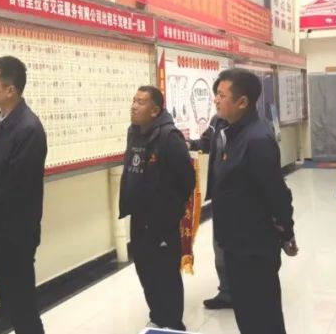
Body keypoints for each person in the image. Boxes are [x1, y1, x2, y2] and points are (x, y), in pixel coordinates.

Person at [210, 69, 297, 333]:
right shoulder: (233, 132)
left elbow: (276, 192)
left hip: (254, 247)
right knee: (248, 316)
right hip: (236, 243)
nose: (216, 100)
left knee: (262, 317)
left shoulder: (256, 139)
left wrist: (287, 232)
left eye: (222, 95)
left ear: (242, 102)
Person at [0, 56, 47, 334]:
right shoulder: (3, 122)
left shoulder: (28, 129)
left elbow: (15, 189)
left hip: (17, 233)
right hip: (0, 230)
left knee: (23, 309)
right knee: (12, 305)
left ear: (10, 90)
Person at [121, 86, 195, 330]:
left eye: (140, 102)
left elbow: (187, 180)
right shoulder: (134, 132)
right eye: (134, 100)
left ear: (154, 110)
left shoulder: (169, 137)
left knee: (165, 274)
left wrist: (170, 211)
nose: (133, 106)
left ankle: (173, 324)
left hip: (162, 221)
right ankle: (158, 316)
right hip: (139, 217)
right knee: (145, 270)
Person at [189, 115, 235, 310]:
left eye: (221, 98)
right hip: (220, 196)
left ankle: (244, 291)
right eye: (216, 98)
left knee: (238, 247)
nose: (216, 101)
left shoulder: (250, 128)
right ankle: (226, 292)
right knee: (220, 246)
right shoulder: (217, 122)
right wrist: (189, 144)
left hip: (240, 198)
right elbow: (206, 142)